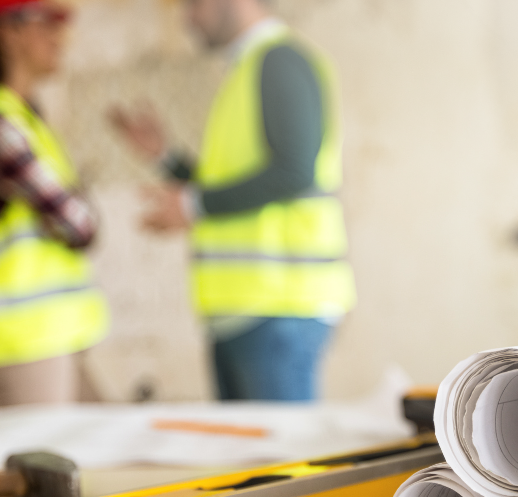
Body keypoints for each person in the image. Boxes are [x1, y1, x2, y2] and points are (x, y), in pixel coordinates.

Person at [109, 0, 355, 402]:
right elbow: (230, 182)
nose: (187, 19)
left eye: (194, 5)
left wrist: (191, 206)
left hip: (279, 307)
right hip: (247, 308)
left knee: (285, 460)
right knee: (256, 460)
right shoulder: (248, 68)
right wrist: (165, 157)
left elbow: (294, 172)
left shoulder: (280, 62)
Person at [0, 0, 109, 406]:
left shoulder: (21, 118)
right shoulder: (0, 125)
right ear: (6, 32)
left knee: (106, 443)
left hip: (44, 337)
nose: (57, 36)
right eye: (43, 21)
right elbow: (78, 223)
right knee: (50, 463)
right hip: (23, 341)